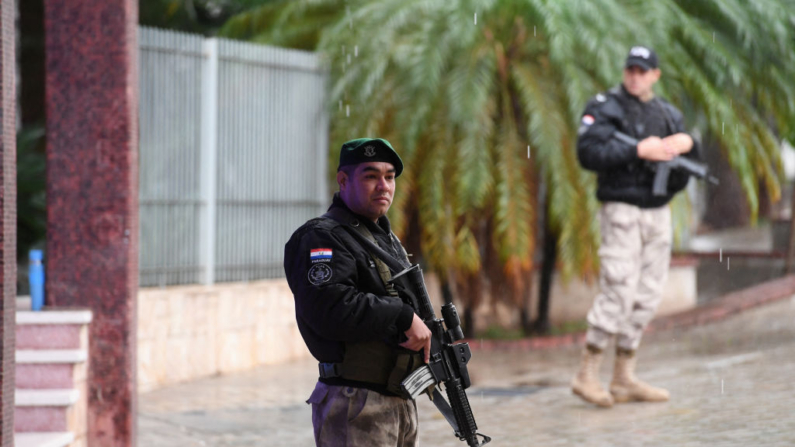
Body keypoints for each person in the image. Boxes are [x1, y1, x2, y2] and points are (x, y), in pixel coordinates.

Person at [572, 46, 701, 408]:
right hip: (622, 211)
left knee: (647, 295)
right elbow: (588, 152)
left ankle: (623, 377)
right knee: (619, 290)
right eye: (631, 69)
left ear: (655, 75)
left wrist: (690, 143)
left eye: (643, 70)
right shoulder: (604, 106)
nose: (635, 75)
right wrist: (637, 152)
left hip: (658, 214)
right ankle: (587, 374)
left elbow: (690, 156)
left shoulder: (667, 113)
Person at [284, 138, 432, 446]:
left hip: (397, 399)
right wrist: (403, 315)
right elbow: (331, 309)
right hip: (355, 402)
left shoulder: (382, 238)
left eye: (389, 176)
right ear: (343, 180)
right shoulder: (320, 237)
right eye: (370, 176)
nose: (383, 186)